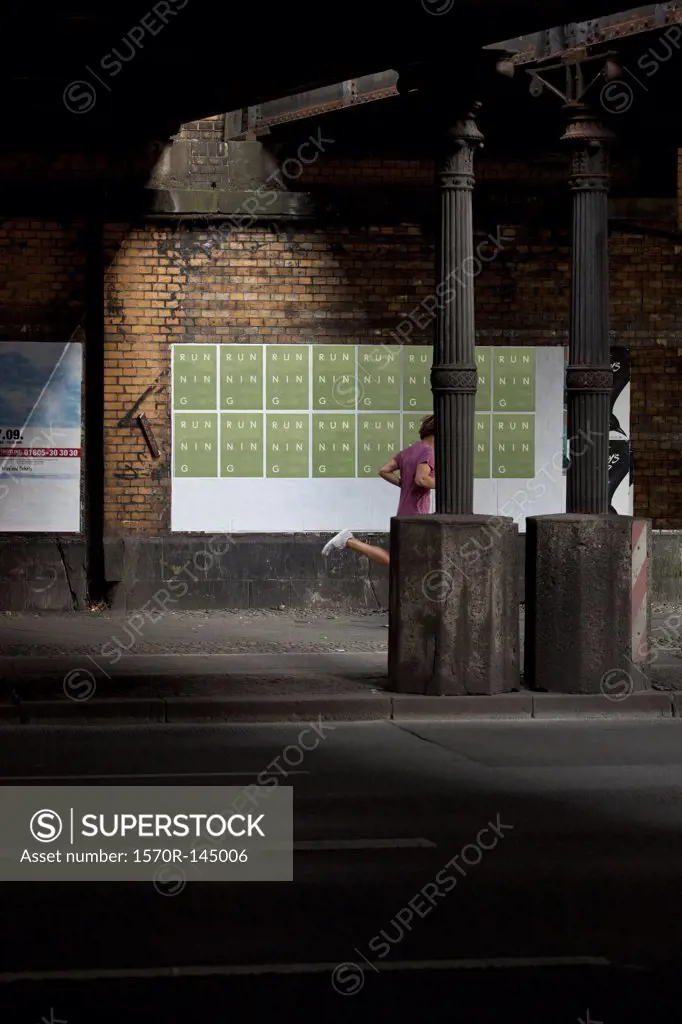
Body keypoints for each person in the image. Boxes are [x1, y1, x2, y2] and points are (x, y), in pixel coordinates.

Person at [321, 414, 436, 567]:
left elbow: (384, 470)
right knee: (402, 565)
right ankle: (349, 541)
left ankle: (349, 541)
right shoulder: (429, 452)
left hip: (404, 514)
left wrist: (404, 484)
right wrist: (445, 484)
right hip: (417, 515)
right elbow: (421, 479)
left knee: (401, 564)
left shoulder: (409, 451)